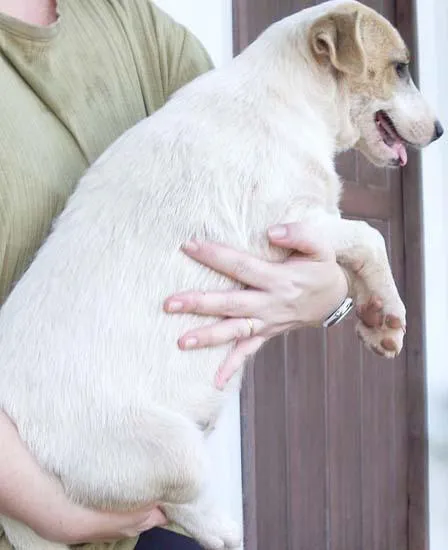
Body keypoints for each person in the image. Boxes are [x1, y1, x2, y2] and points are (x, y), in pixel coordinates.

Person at [0, 0, 381, 548]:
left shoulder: (138, 30)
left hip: (146, 499)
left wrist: (329, 293)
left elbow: (275, 204)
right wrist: (50, 512)